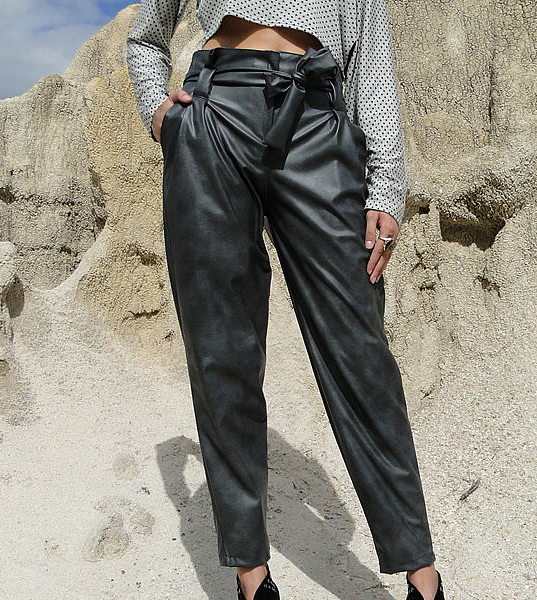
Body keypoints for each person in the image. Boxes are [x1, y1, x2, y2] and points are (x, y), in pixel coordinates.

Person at [127, 2, 446, 599]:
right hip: (214, 115)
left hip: (316, 117)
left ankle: (422, 577)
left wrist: (385, 187)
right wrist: (158, 112)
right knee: (221, 347)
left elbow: (371, 55)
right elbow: (145, 37)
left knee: (359, 348)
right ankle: (252, 578)